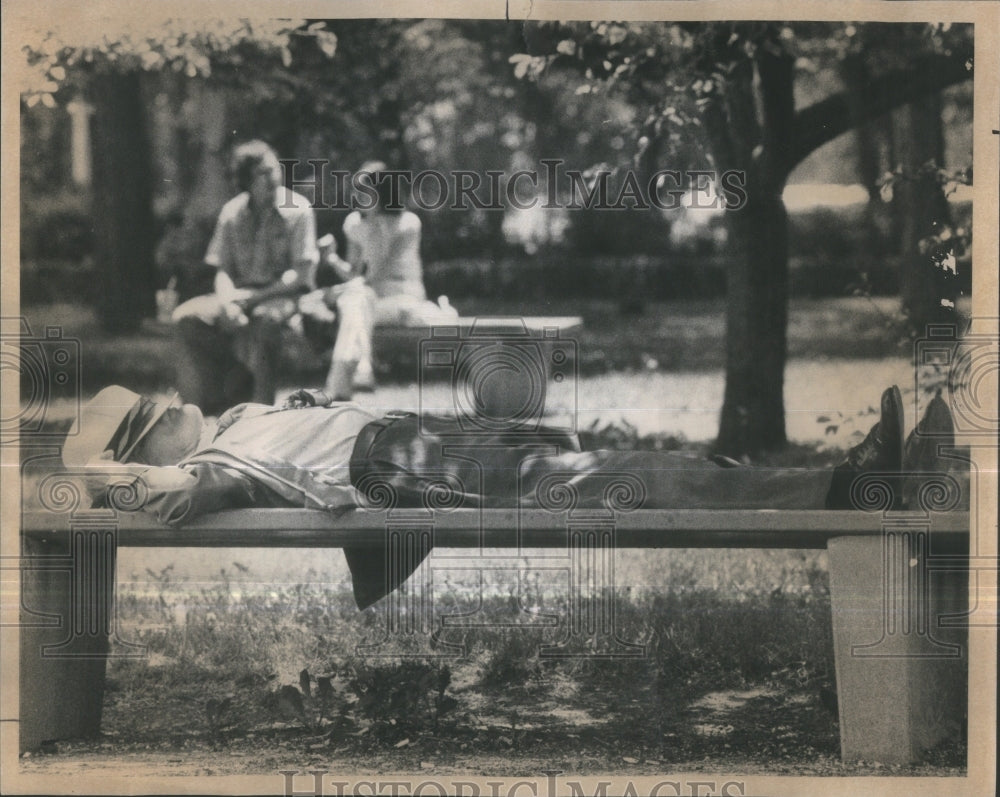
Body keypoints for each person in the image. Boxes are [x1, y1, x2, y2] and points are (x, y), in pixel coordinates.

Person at [63, 381, 953, 610]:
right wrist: (93, 476)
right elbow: (171, 495)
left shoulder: (231, 431)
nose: (176, 401)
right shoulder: (215, 465)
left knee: (640, 459)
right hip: (411, 466)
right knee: (636, 482)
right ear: (151, 444)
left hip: (425, 447)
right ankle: (860, 481)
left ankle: (856, 473)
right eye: (158, 412)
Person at [171, 140, 319, 413]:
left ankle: (260, 413)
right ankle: (197, 411)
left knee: (266, 322)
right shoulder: (232, 212)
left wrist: (253, 298)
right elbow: (223, 269)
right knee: (186, 319)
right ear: (246, 179)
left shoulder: (299, 210)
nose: (273, 178)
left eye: (275, 170)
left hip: (282, 297)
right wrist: (228, 302)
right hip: (239, 297)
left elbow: (301, 275)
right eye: (263, 173)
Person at [313, 161, 457, 399]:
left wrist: (337, 291)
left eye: (363, 190)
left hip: (401, 297)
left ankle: (343, 383)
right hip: (369, 297)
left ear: (381, 192)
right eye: (356, 189)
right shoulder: (354, 224)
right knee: (357, 301)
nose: (356, 195)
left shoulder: (408, 224)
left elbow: (376, 273)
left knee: (355, 302)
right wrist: (331, 259)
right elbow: (357, 274)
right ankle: (362, 369)